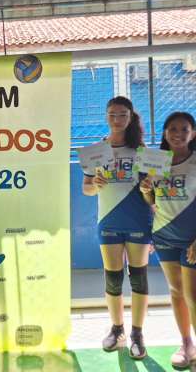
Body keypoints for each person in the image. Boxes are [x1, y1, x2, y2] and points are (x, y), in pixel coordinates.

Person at [82, 96, 152, 359]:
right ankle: (117, 329)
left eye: (122, 114)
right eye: (112, 114)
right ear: (106, 116)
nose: (117, 119)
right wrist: (95, 185)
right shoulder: (97, 150)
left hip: (138, 222)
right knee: (113, 279)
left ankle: (137, 334)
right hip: (108, 222)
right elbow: (86, 189)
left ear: (130, 117)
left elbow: (153, 196)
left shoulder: (142, 151)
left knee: (139, 278)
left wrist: (148, 189)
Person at [140, 112, 196, 369]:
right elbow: (153, 201)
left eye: (184, 129)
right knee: (176, 291)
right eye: (172, 129)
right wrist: (146, 191)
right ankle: (186, 345)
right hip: (164, 235)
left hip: (191, 240)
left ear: (193, 133)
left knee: (192, 296)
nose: (178, 134)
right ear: (165, 133)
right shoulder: (156, 161)